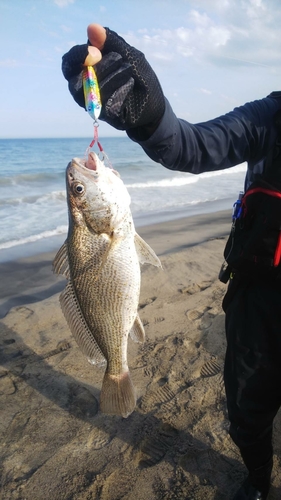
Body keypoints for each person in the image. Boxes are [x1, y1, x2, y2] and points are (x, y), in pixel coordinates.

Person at [62, 24, 281, 500]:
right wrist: (147, 113)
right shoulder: (271, 116)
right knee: (247, 407)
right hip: (260, 295)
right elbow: (191, 144)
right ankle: (259, 480)